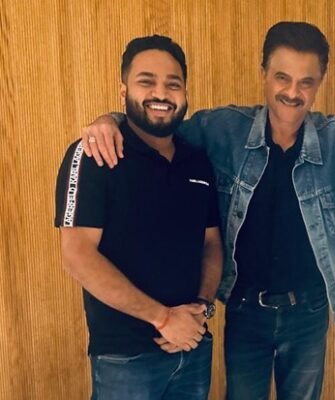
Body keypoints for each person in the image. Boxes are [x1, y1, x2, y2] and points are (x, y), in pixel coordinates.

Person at [80, 22, 335, 400]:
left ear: (320, 82)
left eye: (306, 82)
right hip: (245, 309)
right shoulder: (222, 130)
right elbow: (157, 123)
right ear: (264, 73)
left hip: (309, 312)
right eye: (282, 78)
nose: (292, 92)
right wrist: (111, 120)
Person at [55, 35, 223, 400]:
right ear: (123, 91)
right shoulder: (95, 155)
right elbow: (77, 255)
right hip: (125, 358)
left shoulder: (197, 161)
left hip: (192, 347)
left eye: (172, 84)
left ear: (185, 92)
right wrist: (163, 318)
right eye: (147, 81)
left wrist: (202, 305)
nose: (160, 93)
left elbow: (211, 242)